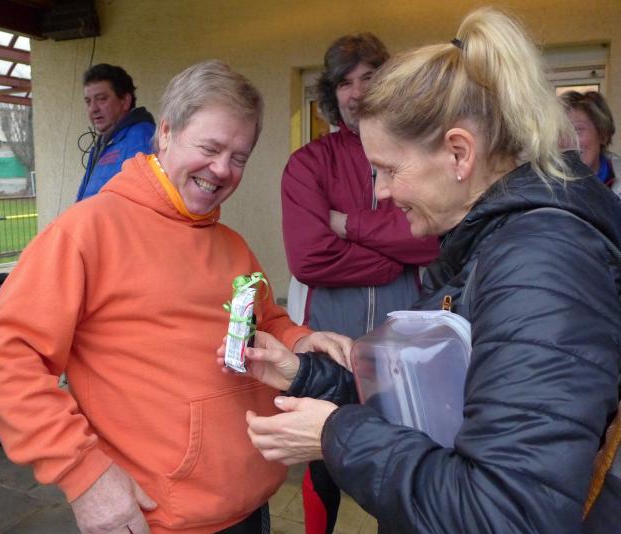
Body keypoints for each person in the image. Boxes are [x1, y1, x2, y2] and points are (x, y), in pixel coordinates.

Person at [232, 7, 621, 533]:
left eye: (389, 169)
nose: (381, 192)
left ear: (459, 153)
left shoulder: (542, 263)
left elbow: (504, 514)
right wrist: (306, 376)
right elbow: (427, 400)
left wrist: (336, 434)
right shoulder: (488, 244)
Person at [0, 60, 351, 534]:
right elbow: (4, 359)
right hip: (159, 518)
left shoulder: (231, 244)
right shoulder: (88, 230)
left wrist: (299, 340)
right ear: (166, 133)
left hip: (250, 504)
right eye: (210, 148)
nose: (222, 170)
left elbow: (265, 320)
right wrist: (84, 476)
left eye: (238, 158)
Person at [280, 33, 439, 534]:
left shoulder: (415, 157)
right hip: (329, 341)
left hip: (403, 346)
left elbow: (430, 241)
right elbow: (309, 258)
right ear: (332, 95)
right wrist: (391, 259)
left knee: (399, 458)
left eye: (369, 77)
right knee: (321, 454)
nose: (358, 92)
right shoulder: (309, 163)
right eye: (345, 83)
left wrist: (347, 225)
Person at [76, 63, 156, 201]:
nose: (93, 108)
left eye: (102, 99)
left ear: (125, 101)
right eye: (88, 101)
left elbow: (144, 200)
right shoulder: (104, 143)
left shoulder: (140, 137)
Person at [561, 90, 619, 195]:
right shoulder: (542, 186)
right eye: (560, 132)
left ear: (603, 135)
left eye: (577, 129)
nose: (566, 140)